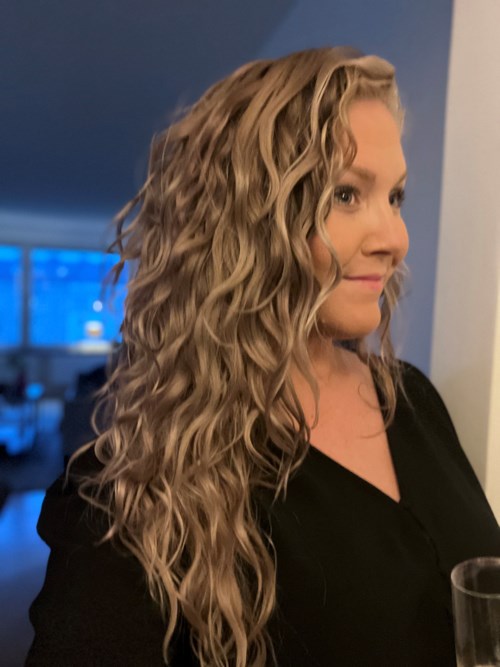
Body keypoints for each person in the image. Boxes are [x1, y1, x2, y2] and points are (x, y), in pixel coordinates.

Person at [26, 47, 500, 667]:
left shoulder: (413, 400)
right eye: (347, 194)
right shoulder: (136, 490)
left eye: (396, 197)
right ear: (247, 218)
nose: (395, 238)